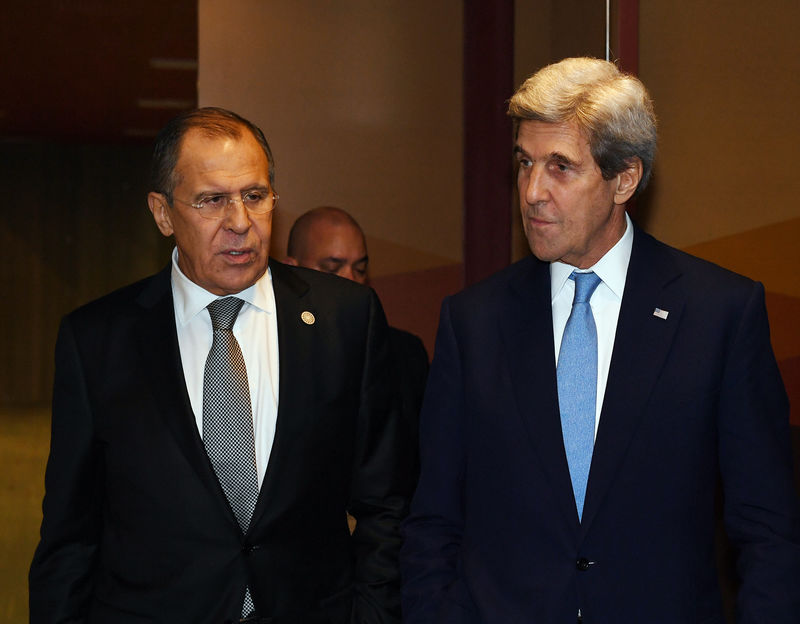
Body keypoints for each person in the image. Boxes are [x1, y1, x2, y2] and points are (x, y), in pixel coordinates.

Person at [400, 58, 800, 623]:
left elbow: (768, 530)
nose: (533, 191)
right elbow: (434, 521)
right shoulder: (474, 322)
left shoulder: (718, 314)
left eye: (561, 167)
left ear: (625, 179)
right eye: (524, 163)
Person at [29, 107, 412, 624]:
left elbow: (385, 504)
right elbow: (69, 539)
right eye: (212, 200)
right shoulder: (98, 340)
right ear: (163, 213)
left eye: (255, 196)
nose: (240, 222)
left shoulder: (345, 319)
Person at [286, 207, 429, 482]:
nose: (351, 281)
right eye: (332, 268)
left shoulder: (405, 354)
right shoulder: (273, 354)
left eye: (360, 269)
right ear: (292, 271)